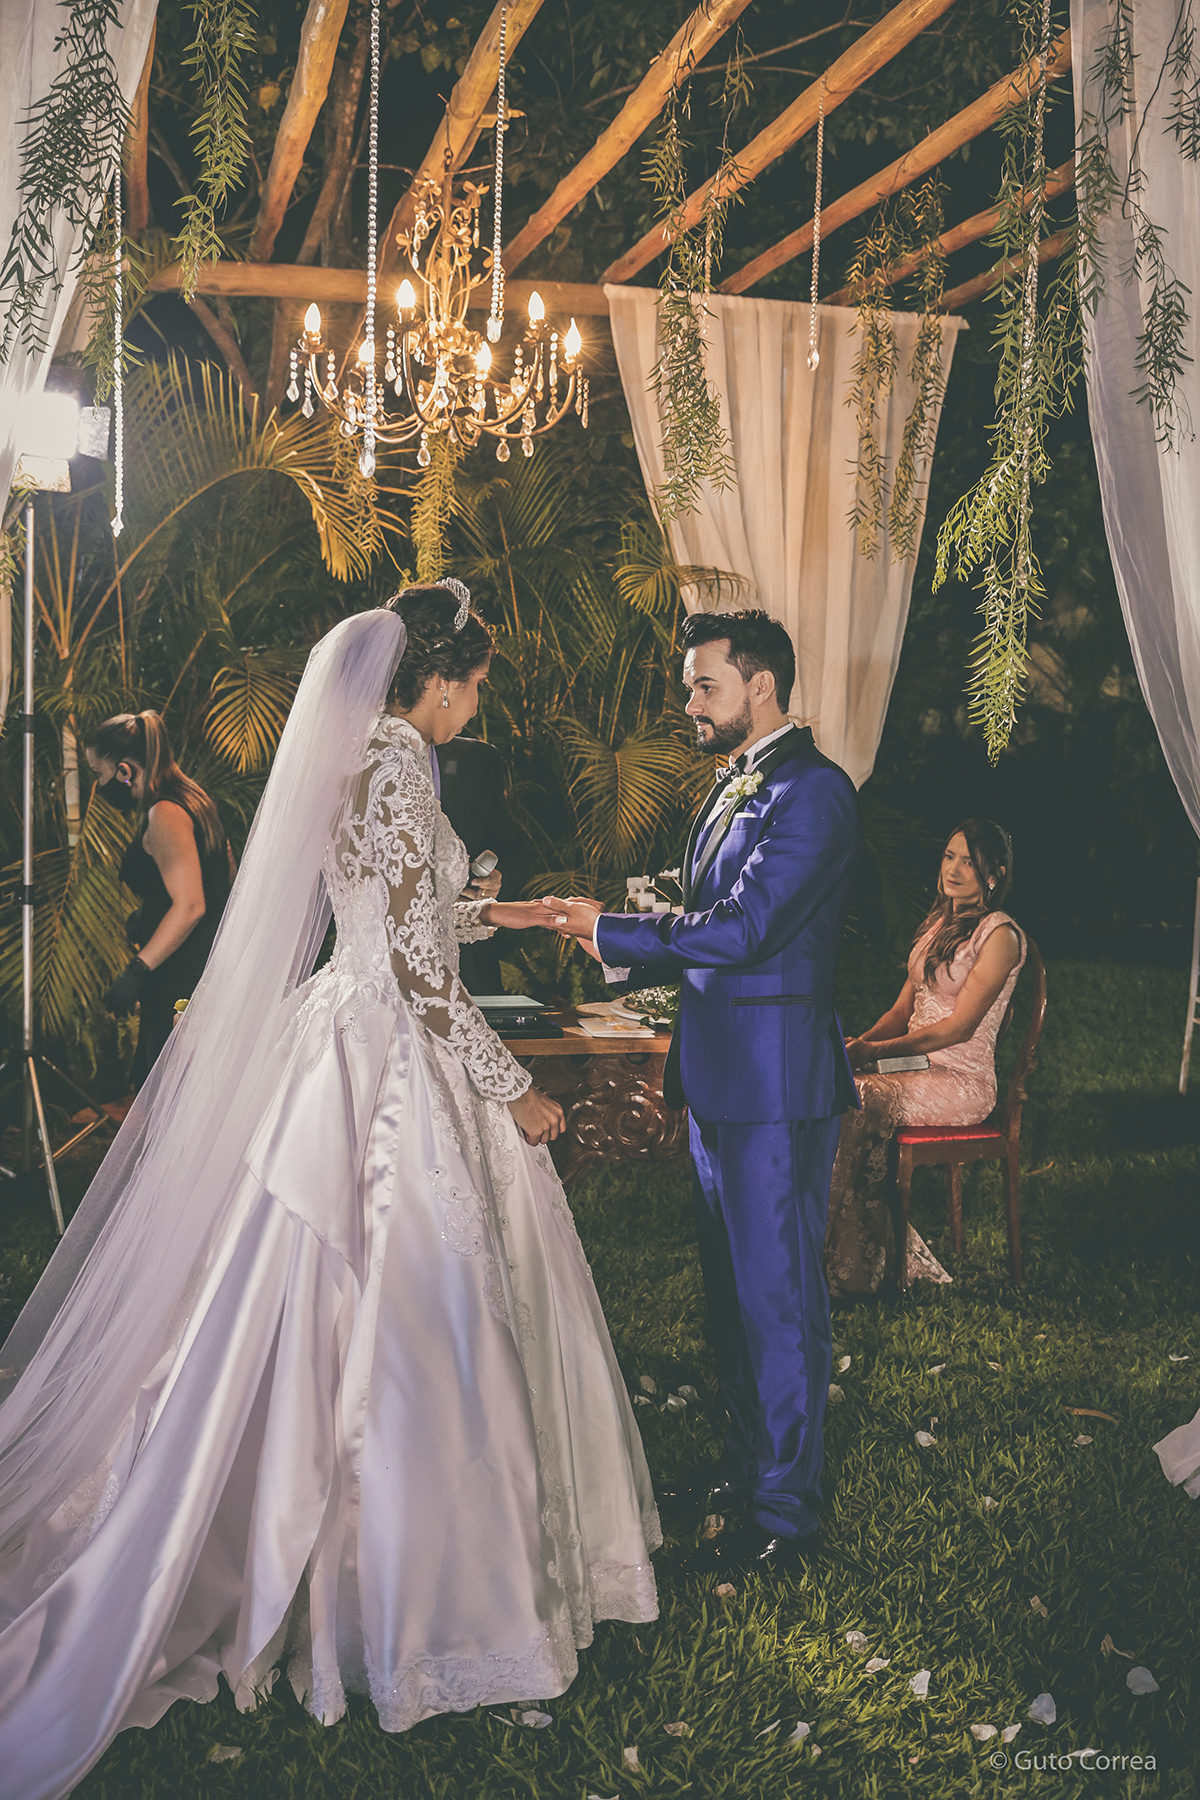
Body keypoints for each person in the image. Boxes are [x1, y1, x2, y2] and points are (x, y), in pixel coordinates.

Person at [0, 586, 658, 1800]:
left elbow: (402, 917)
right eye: (477, 686)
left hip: (343, 1029)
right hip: (389, 1054)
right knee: (413, 1309)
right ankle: (421, 1602)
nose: (477, 707)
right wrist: (513, 1085)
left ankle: (281, 1534)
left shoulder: (363, 755)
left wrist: (506, 909)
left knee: (297, 1301)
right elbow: (414, 966)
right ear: (440, 683)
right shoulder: (404, 762)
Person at [544, 609, 861, 1575]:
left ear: (761, 685)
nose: (689, 702)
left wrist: (609, 932)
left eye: (704, 685)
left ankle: (786, 1518)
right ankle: (744, 1473)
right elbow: (703, 918)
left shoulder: (814, 793)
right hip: (720, 1077)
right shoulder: (730, 785)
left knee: (778, 1300)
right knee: (731, 1299)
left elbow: (746, 927)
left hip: (776, 1085)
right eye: (691, 685)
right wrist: (615, 933)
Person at [825, 819, 1025, 1297]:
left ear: (993, 875)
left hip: (961, 1080)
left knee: (858, 1101)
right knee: (836, 1083)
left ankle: (864, 1264)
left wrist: (876, 1053)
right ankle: (843, 1249)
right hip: (914, 1067)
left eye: (969, 862)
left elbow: (959, 1028)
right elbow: (902, 1012)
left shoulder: (1000, 935)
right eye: (949, 856)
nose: (953, 869)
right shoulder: (939, 926)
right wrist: (858, 1048)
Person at [86, 711, 233, 1089]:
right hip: (196, 967)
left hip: (180, 976)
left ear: (124, 771)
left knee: (167, 1092)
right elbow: (225, 874)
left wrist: (136, 972)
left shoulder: (165, 812)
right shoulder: (194, 797)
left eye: (98, 773)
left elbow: (191, 905)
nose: (98, 785)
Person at [435, 732, 525, 994]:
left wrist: (497, 881)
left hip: (472, 964)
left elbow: (510, 849)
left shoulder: (477, 758)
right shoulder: (364, 755)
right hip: (387, 960)